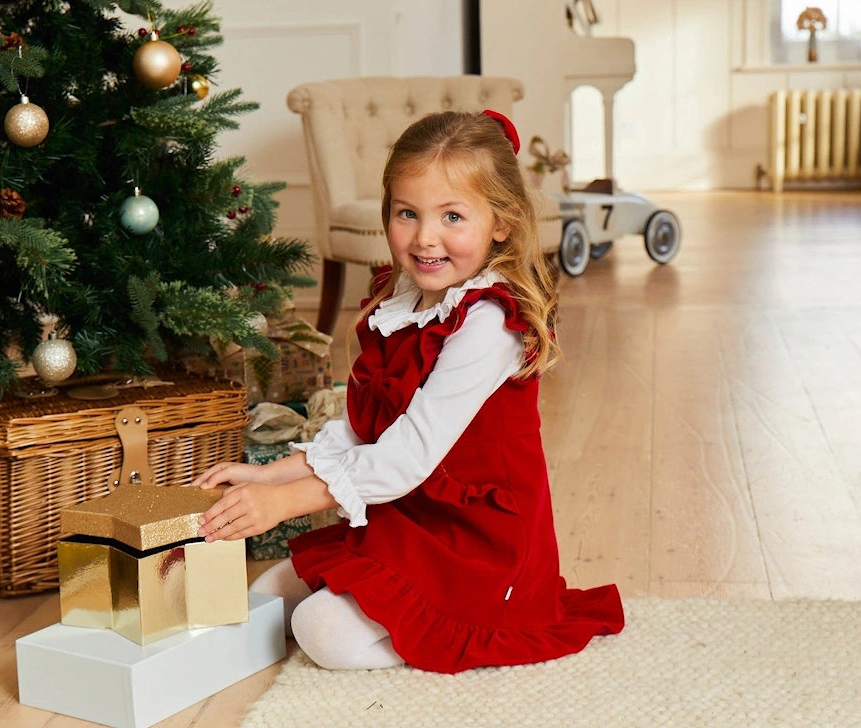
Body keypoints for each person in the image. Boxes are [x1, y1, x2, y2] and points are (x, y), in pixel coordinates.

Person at [191, 109, 624, 674]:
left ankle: (435, 630)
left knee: (318, 629)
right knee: (275, 586)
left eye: (452, 216)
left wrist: (286, 503)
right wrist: (275, 474)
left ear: (502, 221)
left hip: (478, 540)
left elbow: (408, 453)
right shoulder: (404, 297)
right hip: (410, 509)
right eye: (407, 213)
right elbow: (367, 425)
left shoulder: (489, 323)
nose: (424, 238)